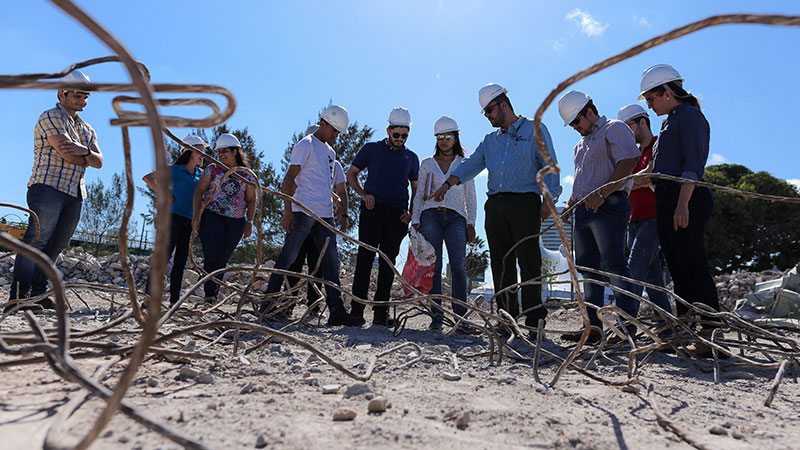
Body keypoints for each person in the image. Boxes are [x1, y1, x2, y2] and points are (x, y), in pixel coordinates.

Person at [429, 84, 561, 337]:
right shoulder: (490, 141)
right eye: (484, 113)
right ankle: (506, 320)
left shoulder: (535, 130)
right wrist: (446, 184)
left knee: (530, 262)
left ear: (503, 104)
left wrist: (548, 200)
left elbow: (550, 165)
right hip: (496, 207)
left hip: (525, 203)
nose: (488, 116)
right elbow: (471, 165)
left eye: (489, 110)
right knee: (501, 265)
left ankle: (535, 321)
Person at [8, 70, 103, 311]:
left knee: (56, 246)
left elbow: (99, 161)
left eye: (86, 97)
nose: (82, 101)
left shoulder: (87, 129)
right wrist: (86, 155)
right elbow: (65, 151)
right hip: (48, 187)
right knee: (36, 242)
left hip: (75, 193)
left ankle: (38, 295)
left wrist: (81, 152)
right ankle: (18, 298)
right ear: (62, 93)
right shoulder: (49, 117)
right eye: (78, 96)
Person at [262, 105, 361, 326]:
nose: (337, 135)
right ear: (323, 123)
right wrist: (287, 211)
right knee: (288, 258)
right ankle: (267, 305)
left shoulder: (330, 152)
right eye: (335, 130)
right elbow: (288, 180)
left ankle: (336, 311)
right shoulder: (305, 144)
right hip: (303, 211)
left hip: (325, 216)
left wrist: (337, 204)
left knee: (331, 262)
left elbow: (323, 181)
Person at [639, 64, 720, 334]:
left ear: (666, 93)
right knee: (677, 267)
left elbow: (693, 165)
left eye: (651, 99)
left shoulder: (690, 117)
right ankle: (686, 327)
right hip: (667, 200)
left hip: (688, 199)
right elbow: (654, 170)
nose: (649, 106)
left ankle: (711, 330)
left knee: (693, 263)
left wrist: (683, 204)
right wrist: (623, 183)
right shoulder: (668, 121)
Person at [557, 90, 640, 343]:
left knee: (615, 265)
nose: (574, 128)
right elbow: (582, 180)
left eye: (576, 122)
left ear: (589, 112)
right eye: (571, 124)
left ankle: (627, 327)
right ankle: (592, 328)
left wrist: (602, 194)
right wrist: (571, 204)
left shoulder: (614, 128)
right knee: (588, 270)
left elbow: (628, 163)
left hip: (610, 205)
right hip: (584, 210)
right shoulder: (580, 145)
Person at [347, 107, 419, 327]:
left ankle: (380, 315)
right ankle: (356, 312)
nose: (399, 139)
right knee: (365, 260)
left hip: (397, 217)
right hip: (372, 210)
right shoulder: (370, 149)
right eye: (396, 134)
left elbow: (415, 189)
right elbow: (351, 174)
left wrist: (411, 212)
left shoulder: (411, 157)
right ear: (388, 130)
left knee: (387, 264)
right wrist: (363, 194)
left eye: (404, 136)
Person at [411, 116, 477, 331]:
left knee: (458, 267)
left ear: (456, 138)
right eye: (440, 137)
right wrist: (415, 220)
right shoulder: (427, 164)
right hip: (430, 217)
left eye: (448, 136)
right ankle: (437, 318)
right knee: (434, 267)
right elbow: (419, 194)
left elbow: (471, 196)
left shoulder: (464, 165)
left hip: (456, 218)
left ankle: (460, 319)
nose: (444, 141)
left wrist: (471, 223)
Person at [617, 104, 672, 317]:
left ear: (642, 122)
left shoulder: (659, 145)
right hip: (634, 220)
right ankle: (666, 326)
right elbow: (626, 183)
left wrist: (634, 180)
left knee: (634, 269)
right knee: (653, 278)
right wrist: (636, 180)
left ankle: (625, 323)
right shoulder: (634, 155)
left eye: (627, 127)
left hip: (653, 217)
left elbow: (651, 175)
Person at [142, 135, 207, 305]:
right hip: (173, 218)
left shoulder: (201, 175)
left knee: (180, 261)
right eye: (200, 151)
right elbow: (148, 178)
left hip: (190, 222)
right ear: (189, 151)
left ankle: (174, 301)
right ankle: (149, 298)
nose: (203, 155)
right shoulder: (175, 170)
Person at [192, 133, 256, 302]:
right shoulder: (212, 169)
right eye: (219, 151)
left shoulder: (247, 175)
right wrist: (197, 215)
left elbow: (251, 200)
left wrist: (249, 222)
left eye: (225, 151)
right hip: (212, 216)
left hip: (236, 222)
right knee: (213, 255)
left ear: (235, 151)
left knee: (223, 259)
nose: (221, 155)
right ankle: (210, 295)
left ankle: (212, 289)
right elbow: (199, 191)